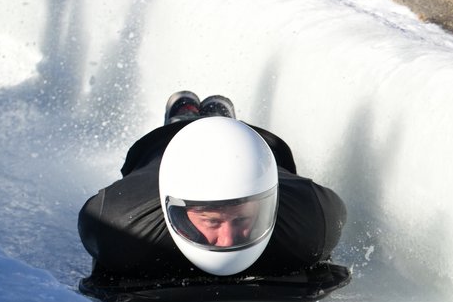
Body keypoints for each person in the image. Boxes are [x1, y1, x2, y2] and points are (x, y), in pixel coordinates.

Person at [78, 91, 346, 279]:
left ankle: (213, 123)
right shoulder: (117, 227)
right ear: (179, 212)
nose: (228, 240)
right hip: (161, 151)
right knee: (158, 153)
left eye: (242, 219)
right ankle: (183, 124)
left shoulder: (313, 222)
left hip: (256, 149)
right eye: (212, 221)